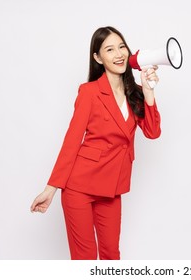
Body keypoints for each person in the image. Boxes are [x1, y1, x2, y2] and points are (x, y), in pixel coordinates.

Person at [30, 26, 161, 260]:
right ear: (98, 58)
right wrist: (51, 188)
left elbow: (152, 132)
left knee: (112, 255)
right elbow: (72, 140)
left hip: (112, 188)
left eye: (122, 46)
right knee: (85, 259)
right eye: (110, 49)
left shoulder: (136, 92)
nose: (119, 54)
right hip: (79, 187)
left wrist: (149, 92)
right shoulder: (89, 92)